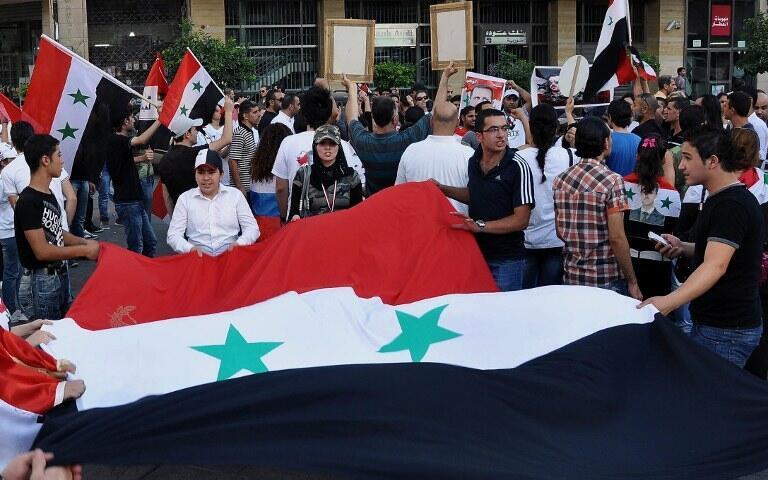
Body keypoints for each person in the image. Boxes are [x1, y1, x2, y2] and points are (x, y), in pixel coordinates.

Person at [639, 127, 764, 368]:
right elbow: (720, 251)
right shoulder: (721, 199)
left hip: (726, 330)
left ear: (713, 161)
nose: (681, 166)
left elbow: (716, 264)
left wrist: (669, 302)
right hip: (717, 325)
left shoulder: (731, 205)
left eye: (687, 158)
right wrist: (683, 247)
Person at [434, 108, 535, 292]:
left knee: (504, 316)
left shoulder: (517, 166)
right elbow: (477, 195)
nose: (501, 135)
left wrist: (480, 226)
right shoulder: (474, 160)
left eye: (504, 128)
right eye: (494, 130)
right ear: (479, 136)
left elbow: (522, 220)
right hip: (477, 255)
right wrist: (442, 189)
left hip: (507, 260)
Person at [553, 117, 642, 299]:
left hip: (572, 274)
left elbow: (559, 230)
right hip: (605, 277)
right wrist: (632, 281)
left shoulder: (560, 180)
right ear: (606, 143)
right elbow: (617, 237)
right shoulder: (612, 180)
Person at [15, 135, 99, 320]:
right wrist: (83, 251)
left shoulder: (49, 193)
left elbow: (55, 233)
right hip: (40, 283)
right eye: (59, 155)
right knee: (48, 340)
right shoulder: (28, 201)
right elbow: (42, 251)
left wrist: (84, 242)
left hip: (58, 277)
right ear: (45, 160)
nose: (62, 160)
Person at [342, 63, 455, 195]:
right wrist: (445, 76)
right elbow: (436, 112)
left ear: (373, 118)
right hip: (400, 206)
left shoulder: (363, 142)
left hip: (373, 206)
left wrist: (351, 87)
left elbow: (351, 119)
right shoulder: (406, 141)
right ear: (395, 120)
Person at [272, 83, 365, 221]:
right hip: (341, 224)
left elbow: (281, 188)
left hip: (301, 226)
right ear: (329, 113)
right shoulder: (345, 146)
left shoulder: (288, 143)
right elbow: (359, 187)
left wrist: (285, 216)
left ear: (303, 112)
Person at [515, 104, 574, 288]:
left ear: (531, 127)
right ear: (556, 128)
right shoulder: (569, 156)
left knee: (523, 298)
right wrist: (570, 114)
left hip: (525, 239)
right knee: (550, 297)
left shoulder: (517, 157)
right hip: (557, 239)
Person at [167, 149, 260, 256]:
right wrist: (190, 249)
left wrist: (239, 244)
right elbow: (173, 235)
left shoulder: (236, 196)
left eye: (211, 172)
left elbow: (252, 228)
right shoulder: (185, 199)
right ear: (195, 174)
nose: (206, 178)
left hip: (230, 258)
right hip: (196, 260)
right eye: (201, 172)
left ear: (221, 175)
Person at [622, 135, 679, 298]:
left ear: (637, 156)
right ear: (663, 160)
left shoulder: (621, 186)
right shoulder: (672, 195)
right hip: (658, 269)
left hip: (625, 265)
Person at [395, 102, 474, 215]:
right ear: (457, 122)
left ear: (431, 121)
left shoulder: (411, 151)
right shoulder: (469, 154)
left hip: (419, 223)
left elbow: (400, 193)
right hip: (457, 226)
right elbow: (477, 196)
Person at [157, 98, 234, 211]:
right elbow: (227, 139)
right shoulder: (197, 154)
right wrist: (228, 112)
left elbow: (166, 196)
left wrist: (174, 219)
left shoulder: (163, 160)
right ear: (187, 134)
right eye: (194, 129)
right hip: (200, 213)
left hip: (180, 213)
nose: (197, 132)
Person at [107, 107, 161, 258]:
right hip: (128, 203)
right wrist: (161, 119)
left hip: (135, 201)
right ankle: (135, 278)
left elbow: (124, 161)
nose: (134, 120)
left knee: (150, 242)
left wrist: (142, 158)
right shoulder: (117, 140)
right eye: (131, 117)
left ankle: (145, 274)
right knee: (136, 247)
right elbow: (142, 139)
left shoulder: (117, 143)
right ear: (124, 122)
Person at [288, 125, 363, 220]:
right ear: (315, 146)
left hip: (343, 231)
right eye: (322, 143)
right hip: (313, 231)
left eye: (332, 143)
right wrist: (295, 216)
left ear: (339, 147)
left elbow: (358, 213)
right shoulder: (303, 175)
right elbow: (293, 211)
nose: (327, 147)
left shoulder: (351, 176)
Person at [250, 123, 292, 239]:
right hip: (279, 224)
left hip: (258, 224)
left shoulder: (257, 166)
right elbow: (281, 189)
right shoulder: (284, 168)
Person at [605, 99, 642, 175]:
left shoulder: (607, 140)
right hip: (633, 185)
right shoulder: (639, 140)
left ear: (610, 117)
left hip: (612, 184)